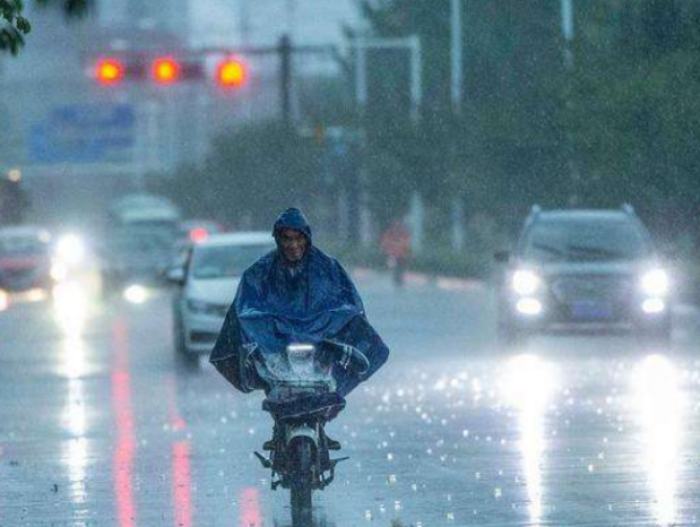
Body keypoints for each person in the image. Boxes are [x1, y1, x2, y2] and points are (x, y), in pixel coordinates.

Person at [210, 207, 389, 399]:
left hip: (322, 348)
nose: (293, 245)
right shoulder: (260, 272)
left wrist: (330, 323)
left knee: (368, 343)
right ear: (279, 240)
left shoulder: (328, 268)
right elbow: (245, 308)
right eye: (287, 239)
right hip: (277, 351)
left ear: (307, 238)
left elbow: (348, 304)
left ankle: (334, 394)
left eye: (298, 238)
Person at [380, 219, 411, 286]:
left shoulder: (404, 234)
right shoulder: (389, 233)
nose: (396, 227)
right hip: (392, 255)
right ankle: (396, 279)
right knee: (395, 267)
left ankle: (399, 280)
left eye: (398, 225)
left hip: (401, 255)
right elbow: (384, 243)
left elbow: (407, 244)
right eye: (395, 225)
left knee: (400, 268)